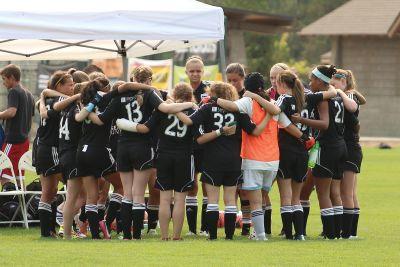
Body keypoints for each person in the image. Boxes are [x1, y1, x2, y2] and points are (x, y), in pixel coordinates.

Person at [86, 66, 196, 240]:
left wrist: (86, 110)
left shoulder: (120, 96)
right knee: (138, 193)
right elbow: (166, 109)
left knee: (127, 193)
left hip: (123, 147)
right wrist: (190, 104)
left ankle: (126, 234)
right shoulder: (150, 94)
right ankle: (136, 235)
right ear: (149, 80)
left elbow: (100, 120)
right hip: (143, 147)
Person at [177, 82, 272, 240]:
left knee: (212, 200)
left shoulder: (207, 108)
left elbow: (191, 125)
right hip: (234, 159)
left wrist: (170, 107)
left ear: (213, 93)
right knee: (230, 201)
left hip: (212, 159)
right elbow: (254, 131)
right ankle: (229, 236)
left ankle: (212, 236)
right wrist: (269, 116)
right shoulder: (238, 110)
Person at [215, 72, 305, 241]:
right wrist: (305, 138)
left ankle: (261, 235)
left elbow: (232, 106)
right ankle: (258, 232)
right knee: (263, 198)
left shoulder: (249, 101)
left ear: (247, 88)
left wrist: (214, 100)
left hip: (253, 159)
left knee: (255, 201)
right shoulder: (272, 103)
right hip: (272, 160)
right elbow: (288, 126)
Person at [116, 83, 198, 240]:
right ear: (190, 96)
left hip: (164, 156)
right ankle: (176, 236)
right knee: (180, 199)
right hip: (184, 157)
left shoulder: (162, 108)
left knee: (165, 199)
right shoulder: (194, 109)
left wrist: (125, 124)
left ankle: (164, 236)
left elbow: (147, 127)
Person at [291, 65, 357, 239]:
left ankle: (329, 233)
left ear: (320, 81)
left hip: (328, 148)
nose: (310, 83)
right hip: (341, 146)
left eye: (312, 79)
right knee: (335, 193)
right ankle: (336, 232)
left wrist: (301, 119)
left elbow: (325, 124)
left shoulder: (322, 98)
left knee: (323, 193)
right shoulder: (337, 96)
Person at [274, 70, 336, 240]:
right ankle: (300, 234)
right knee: (296, 197)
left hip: (285, 150)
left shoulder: (285, 98)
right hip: (303, 152)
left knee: (286, 196)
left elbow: (274, 110)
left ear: (281, 84)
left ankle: (288, 233)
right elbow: (332, 92)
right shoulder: (308, 98)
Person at [36, 71, 73, 237]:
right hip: (50, 148)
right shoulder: (62, 100)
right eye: (69, 84)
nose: (72, 88)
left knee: (50, 191)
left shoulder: (44, 100)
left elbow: (44, 93)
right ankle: (55, 227)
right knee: (72, 184)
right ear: (59, 85)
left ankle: (48, 231)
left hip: (40, 147)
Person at [330, 69, 365, 238]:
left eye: (335, 84)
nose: (332, 88)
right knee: (349, 192)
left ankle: (348, 233)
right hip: (346, 148)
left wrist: (340, 92)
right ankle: (350, 232)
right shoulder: (348, 94)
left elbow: (352, 106)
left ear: (344, 83)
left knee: (346, 192)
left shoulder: (348, 96)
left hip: (351, 150)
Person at [184, 55, 209, 235]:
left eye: (198, 71)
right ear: (186, 72)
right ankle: (192, 230)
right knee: (191, 186)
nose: (195, 74)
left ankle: (205, 228)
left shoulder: (209, 90)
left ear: (203, 71)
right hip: (187, 145)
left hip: (207, 145)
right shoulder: (181, 90)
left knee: (208, 186)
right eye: (192, 71)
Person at [225, 63, 251, 235]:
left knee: (245, 189)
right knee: (231, 187)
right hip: (230, 147)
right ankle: (232, 221)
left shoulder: (248, 96)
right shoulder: (227, 96)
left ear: (243, 78)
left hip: (247, 146)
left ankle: (247, 224)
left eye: (236, 80)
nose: (233, 83)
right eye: (229, 80)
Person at [0, 64, 34, 187]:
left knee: (4, 174)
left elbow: (11, 112)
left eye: (4, 79)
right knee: (19, 176)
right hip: (24, 142)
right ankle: (22, 203)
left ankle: (5, 204)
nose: (3, 83)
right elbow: (29, 118)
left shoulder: (14, 91)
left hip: (12, 141)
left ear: (12, 77)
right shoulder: (29, 94)